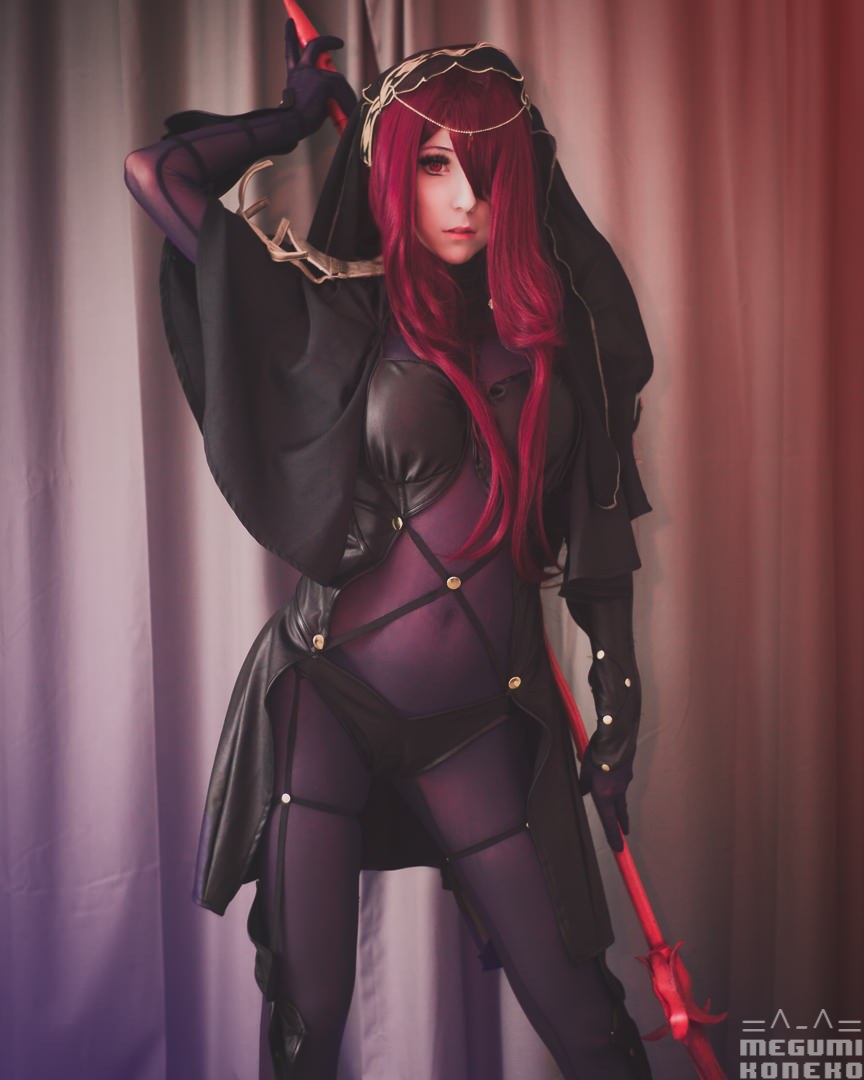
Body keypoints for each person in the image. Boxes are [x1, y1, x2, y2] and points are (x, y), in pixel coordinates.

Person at [125, 26, 654, 1080]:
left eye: (488, 172)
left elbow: (597, 518)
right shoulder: (336, 308)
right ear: (391, 173)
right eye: (434, 166)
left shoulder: (563, 335)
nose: (465, 200)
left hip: (480, 721)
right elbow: (157, 174)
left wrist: (618, 694)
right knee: (308, 1016)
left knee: (586, 1020)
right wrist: (292, 114)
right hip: (324, 697)